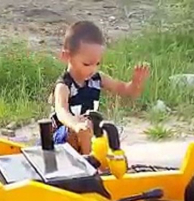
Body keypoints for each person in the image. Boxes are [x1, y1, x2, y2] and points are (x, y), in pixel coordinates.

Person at [49, 20, 151, 154]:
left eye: (97, 63)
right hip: (62, 139)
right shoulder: (64, 85)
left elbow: (125, 90)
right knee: (84, 129)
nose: (93, 69)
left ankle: (101, 161)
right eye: (86, 64)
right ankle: (91, 165)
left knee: (107, 129)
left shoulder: (97, 78)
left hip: (88, 133)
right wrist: (76, 124)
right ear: (66, 56)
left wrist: (136, 83)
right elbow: (62, 111)